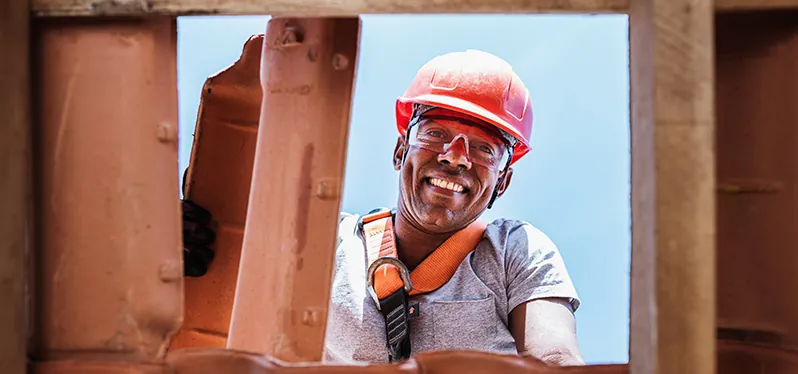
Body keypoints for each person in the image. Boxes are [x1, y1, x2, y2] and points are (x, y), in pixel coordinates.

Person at [182, 49, 583, 366]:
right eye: (436, 134)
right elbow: (231, 291)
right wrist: (180, 250)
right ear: (399, 151)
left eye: (482, 148)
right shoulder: (326, 241)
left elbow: (554, 358)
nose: (455, 157)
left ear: (503, 180)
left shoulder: (516, 251)